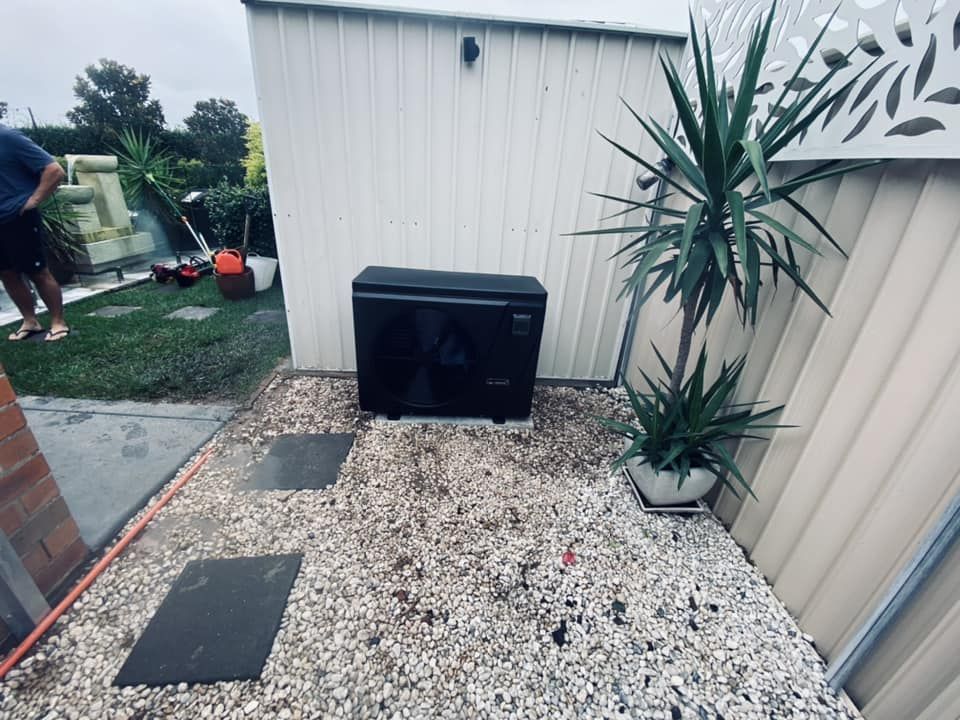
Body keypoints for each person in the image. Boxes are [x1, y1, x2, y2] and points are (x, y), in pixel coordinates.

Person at [0, 124, 69, 342]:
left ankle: (58, 322)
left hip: (18, 216)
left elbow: (54, 170)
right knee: (7, 273)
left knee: (37, 271)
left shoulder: (8, 138)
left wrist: (34, 201)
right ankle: (30, 321)